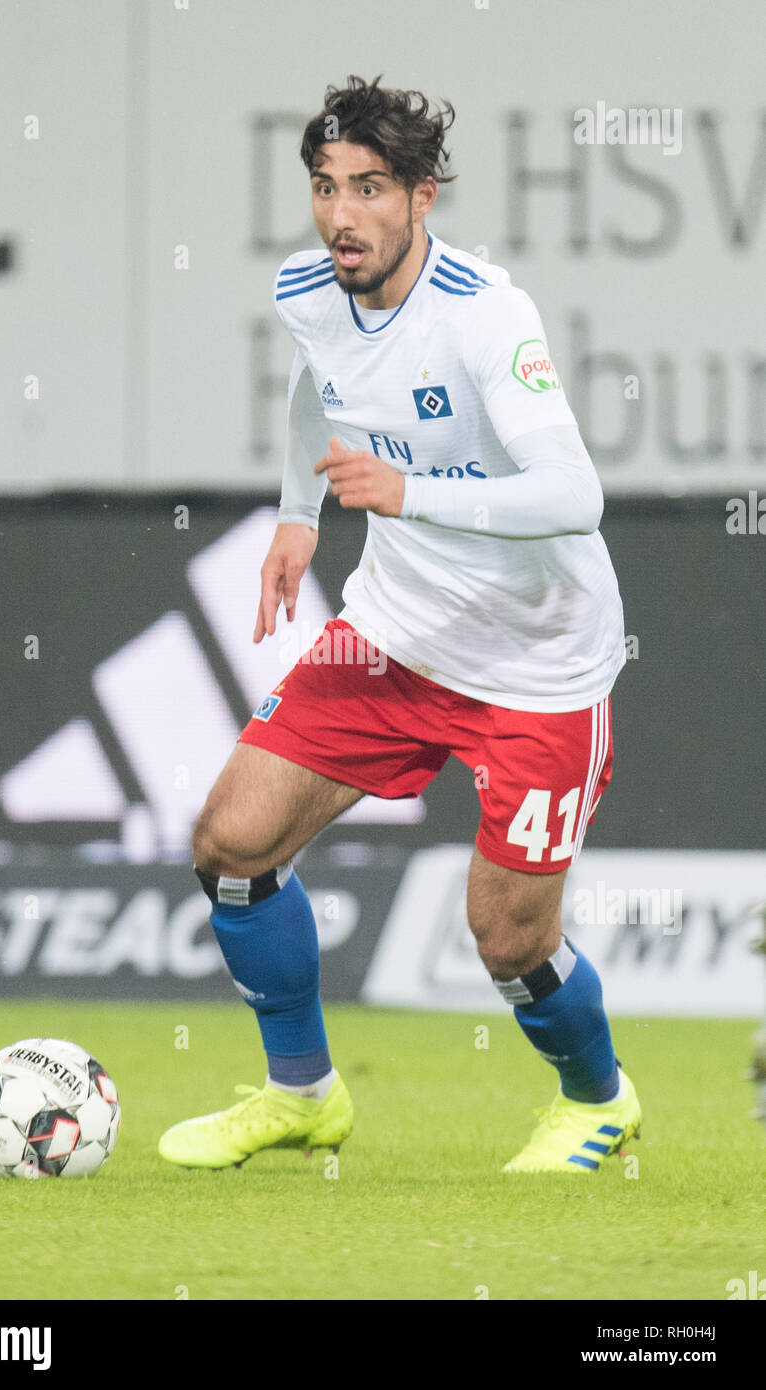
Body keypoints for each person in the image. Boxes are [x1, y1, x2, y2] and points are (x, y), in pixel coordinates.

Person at [158, 74, 642, 1174]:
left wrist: (404, 495)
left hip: (538, 662)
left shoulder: (484, 314)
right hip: (394, 634)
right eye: (326, 188)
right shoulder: (308, 289)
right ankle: (302, 1093)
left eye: (370, 189)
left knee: (506, 937)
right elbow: (315, 380)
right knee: (230, 842)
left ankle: (597, 1099)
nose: (342, 215)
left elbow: (573, 496)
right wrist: (296, 513)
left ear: (423, 197)